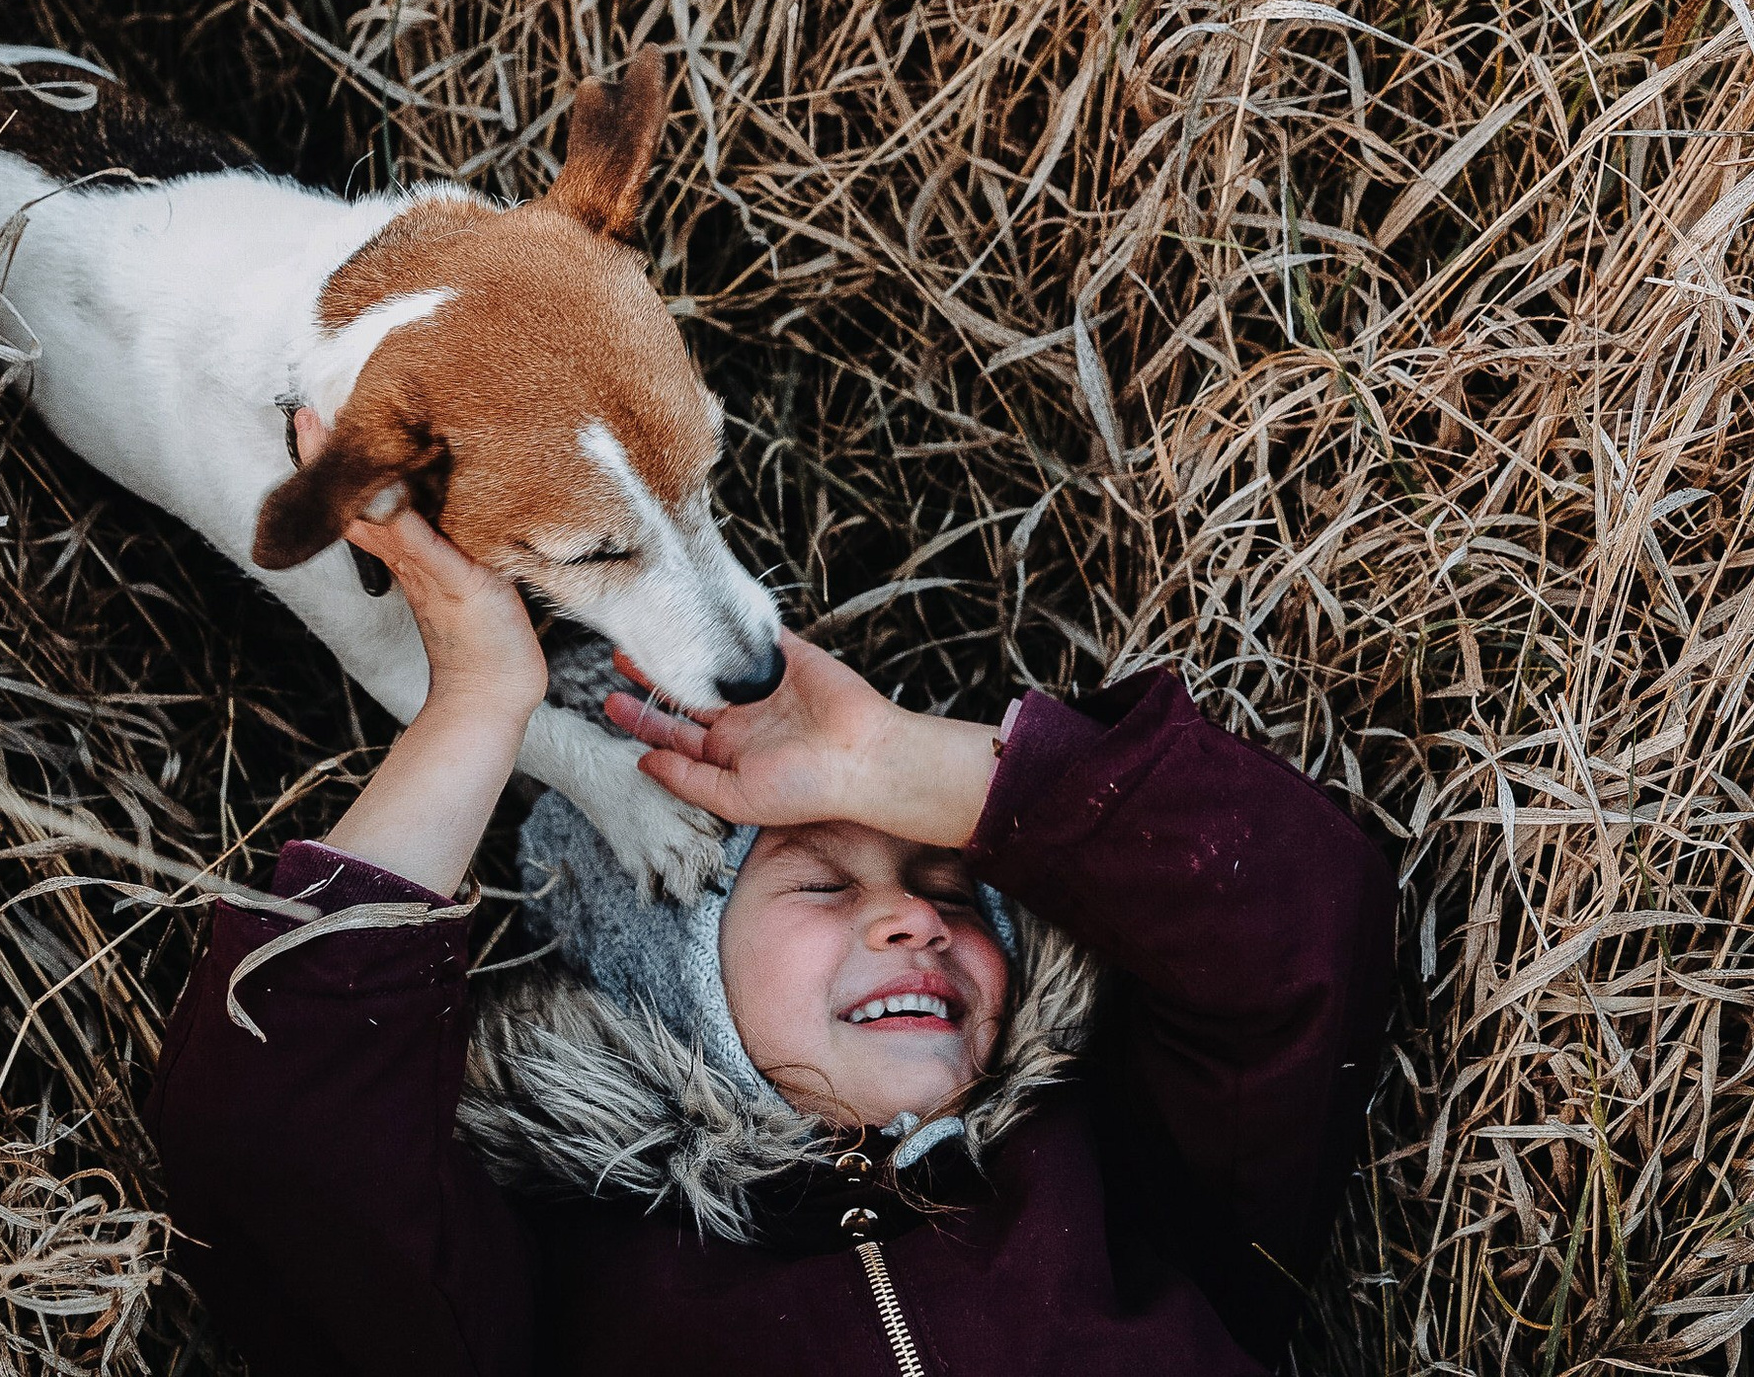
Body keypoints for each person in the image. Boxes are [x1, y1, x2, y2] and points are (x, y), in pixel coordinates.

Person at [145, 413, 1395, 1374]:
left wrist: (894, 762)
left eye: (957, 890)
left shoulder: (1123, 1176)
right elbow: (282, 1150)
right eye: (813, 880)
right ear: (660, 969)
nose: (915, 919)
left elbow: (1290, 911)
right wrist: (479, 700)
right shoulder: (548, 1287)